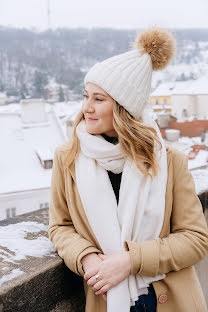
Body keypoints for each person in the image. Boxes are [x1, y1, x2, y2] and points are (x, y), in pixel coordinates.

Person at [48, 27, 208, 312]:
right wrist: (86, 257)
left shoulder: (169, 161)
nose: (87, 107)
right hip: (107, 298)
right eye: (86, 96)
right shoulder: (67, 157)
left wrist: (131, 260)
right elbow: (60, 226)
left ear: (124, 108)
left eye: (99, 99)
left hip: (168, 301)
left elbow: (195, 240)